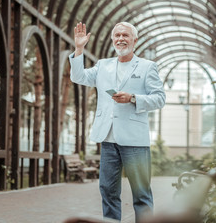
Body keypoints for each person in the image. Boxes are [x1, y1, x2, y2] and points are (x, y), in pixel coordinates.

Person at [69, 22, 166, 222]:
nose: (121, 39)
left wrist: (133, 98)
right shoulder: (103, 65)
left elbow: (159, 98)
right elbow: (79, 77)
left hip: (135, 141)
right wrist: (79, 49)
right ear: (113, 40)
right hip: (108, 138)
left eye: (125, 35)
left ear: (134, 40)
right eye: (117, 35)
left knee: (141, 194)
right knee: (108, 191)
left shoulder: (147, 67)